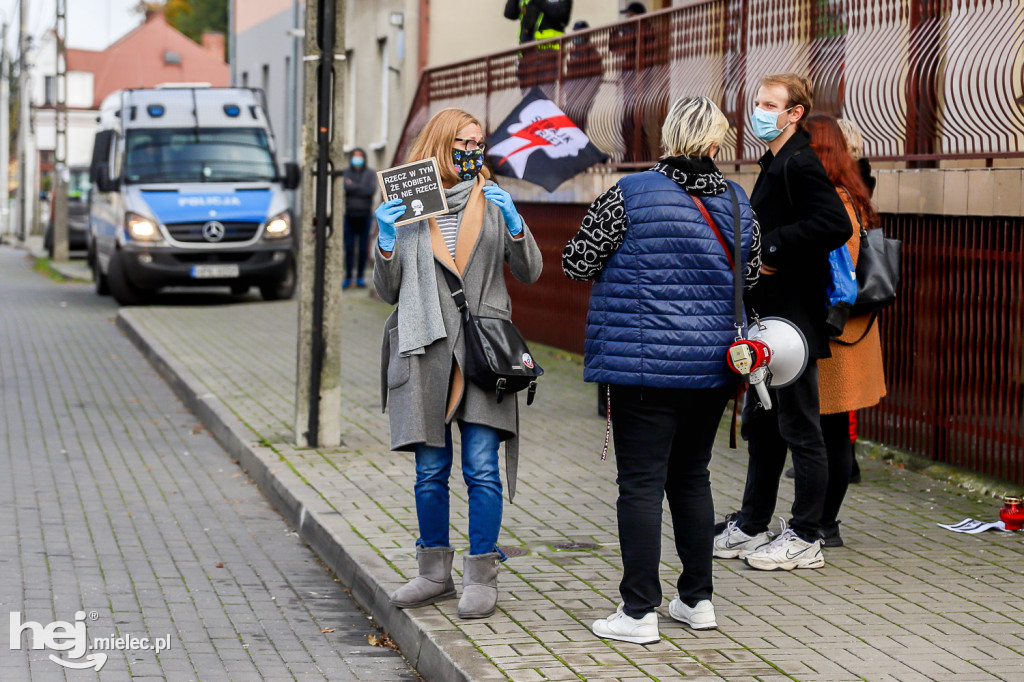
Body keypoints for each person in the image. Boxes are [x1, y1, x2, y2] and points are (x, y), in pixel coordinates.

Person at [563, 96, 761, 644]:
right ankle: (698, 601)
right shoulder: (740, 203)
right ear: (717, 144)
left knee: (642, 485)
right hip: (713, 367)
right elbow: (749, 280)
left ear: (667, 138)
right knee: (692, 478)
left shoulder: (627, 194)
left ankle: (638, 612)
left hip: (642, 369)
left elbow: (577, 261)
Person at [374, 108, 543, 620]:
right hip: (425, 348)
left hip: (481, 353)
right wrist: (385, 239)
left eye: (479, 143)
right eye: (463, 143)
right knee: (430, 471)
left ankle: (482, 575)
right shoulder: (408, 200)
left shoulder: (489, 200)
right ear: (441, 144)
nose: (474, 152)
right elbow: (388, 290)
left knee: (481, 469)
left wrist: (515, 223)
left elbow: (530, 271)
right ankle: (432, 574)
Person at [713, 73, 852, 572]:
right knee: (764, 424)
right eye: (756, 102)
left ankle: (806, 534)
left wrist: (772, 249)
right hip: (770, 317)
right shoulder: (777, 160)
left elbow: (835, 224)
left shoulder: (800, 162)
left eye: (770, 104)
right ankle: (753, 523)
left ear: (795, 113)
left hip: (793, 320)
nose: (758, 111)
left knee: (799, 427)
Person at [803, 113, 886, 547]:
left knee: (828, 430)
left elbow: (835, 272)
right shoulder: (851, 195)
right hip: (852, 333)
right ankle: (822, 522)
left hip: (838, 335)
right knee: (830, 430)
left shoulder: (833, 202)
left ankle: (822, 523)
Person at [505, 0, 572, 87]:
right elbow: (509, 13)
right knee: (528, 98)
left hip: (548, 56)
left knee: (545, 95)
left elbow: (560, 14)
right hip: (526, 59)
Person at [342, 148, 376, 289]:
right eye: (355, 156)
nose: (357, 159)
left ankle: (360, 277)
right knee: (349, 248)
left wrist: (353, 186)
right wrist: (360, 188)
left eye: (360, 156)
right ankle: (348, 277)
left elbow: (370, 190)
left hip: (365, 216)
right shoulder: (345, 173)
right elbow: (345, 187)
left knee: (363, 249)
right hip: (349, 216)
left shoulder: (370, 173)